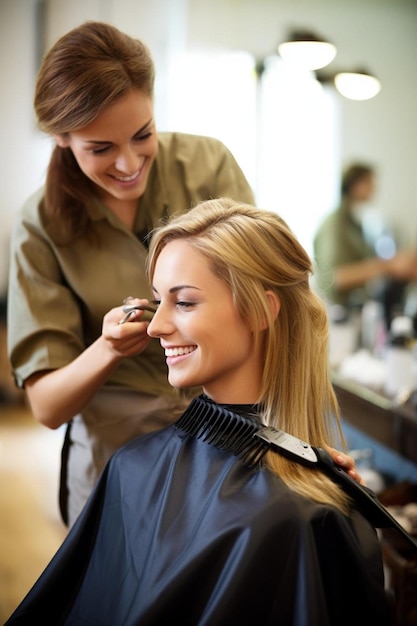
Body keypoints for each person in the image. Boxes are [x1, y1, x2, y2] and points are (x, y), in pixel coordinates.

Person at [7, 21, 357, 528]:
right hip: (118, 457)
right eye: (100, 149)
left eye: (142, 135)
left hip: (231, 440)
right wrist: (107, 348)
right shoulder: (40, 226)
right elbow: (47, 405)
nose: (128, 163)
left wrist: (299, 440)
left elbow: (275, 307)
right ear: (62, 138)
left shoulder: (206, 166)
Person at [5, 198, 391, 626]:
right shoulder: (129, 470)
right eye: (157, 301)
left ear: (263, 309)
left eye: (184, 302)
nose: (155, 326)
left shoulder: (303, 515)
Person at [313, 162, 417, 318]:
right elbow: (336, 277)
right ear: (355, 185)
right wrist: (387, 266)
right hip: (337, 316)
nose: (374, 189)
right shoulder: (335, 225)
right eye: (370, 183)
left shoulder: (353, 223)